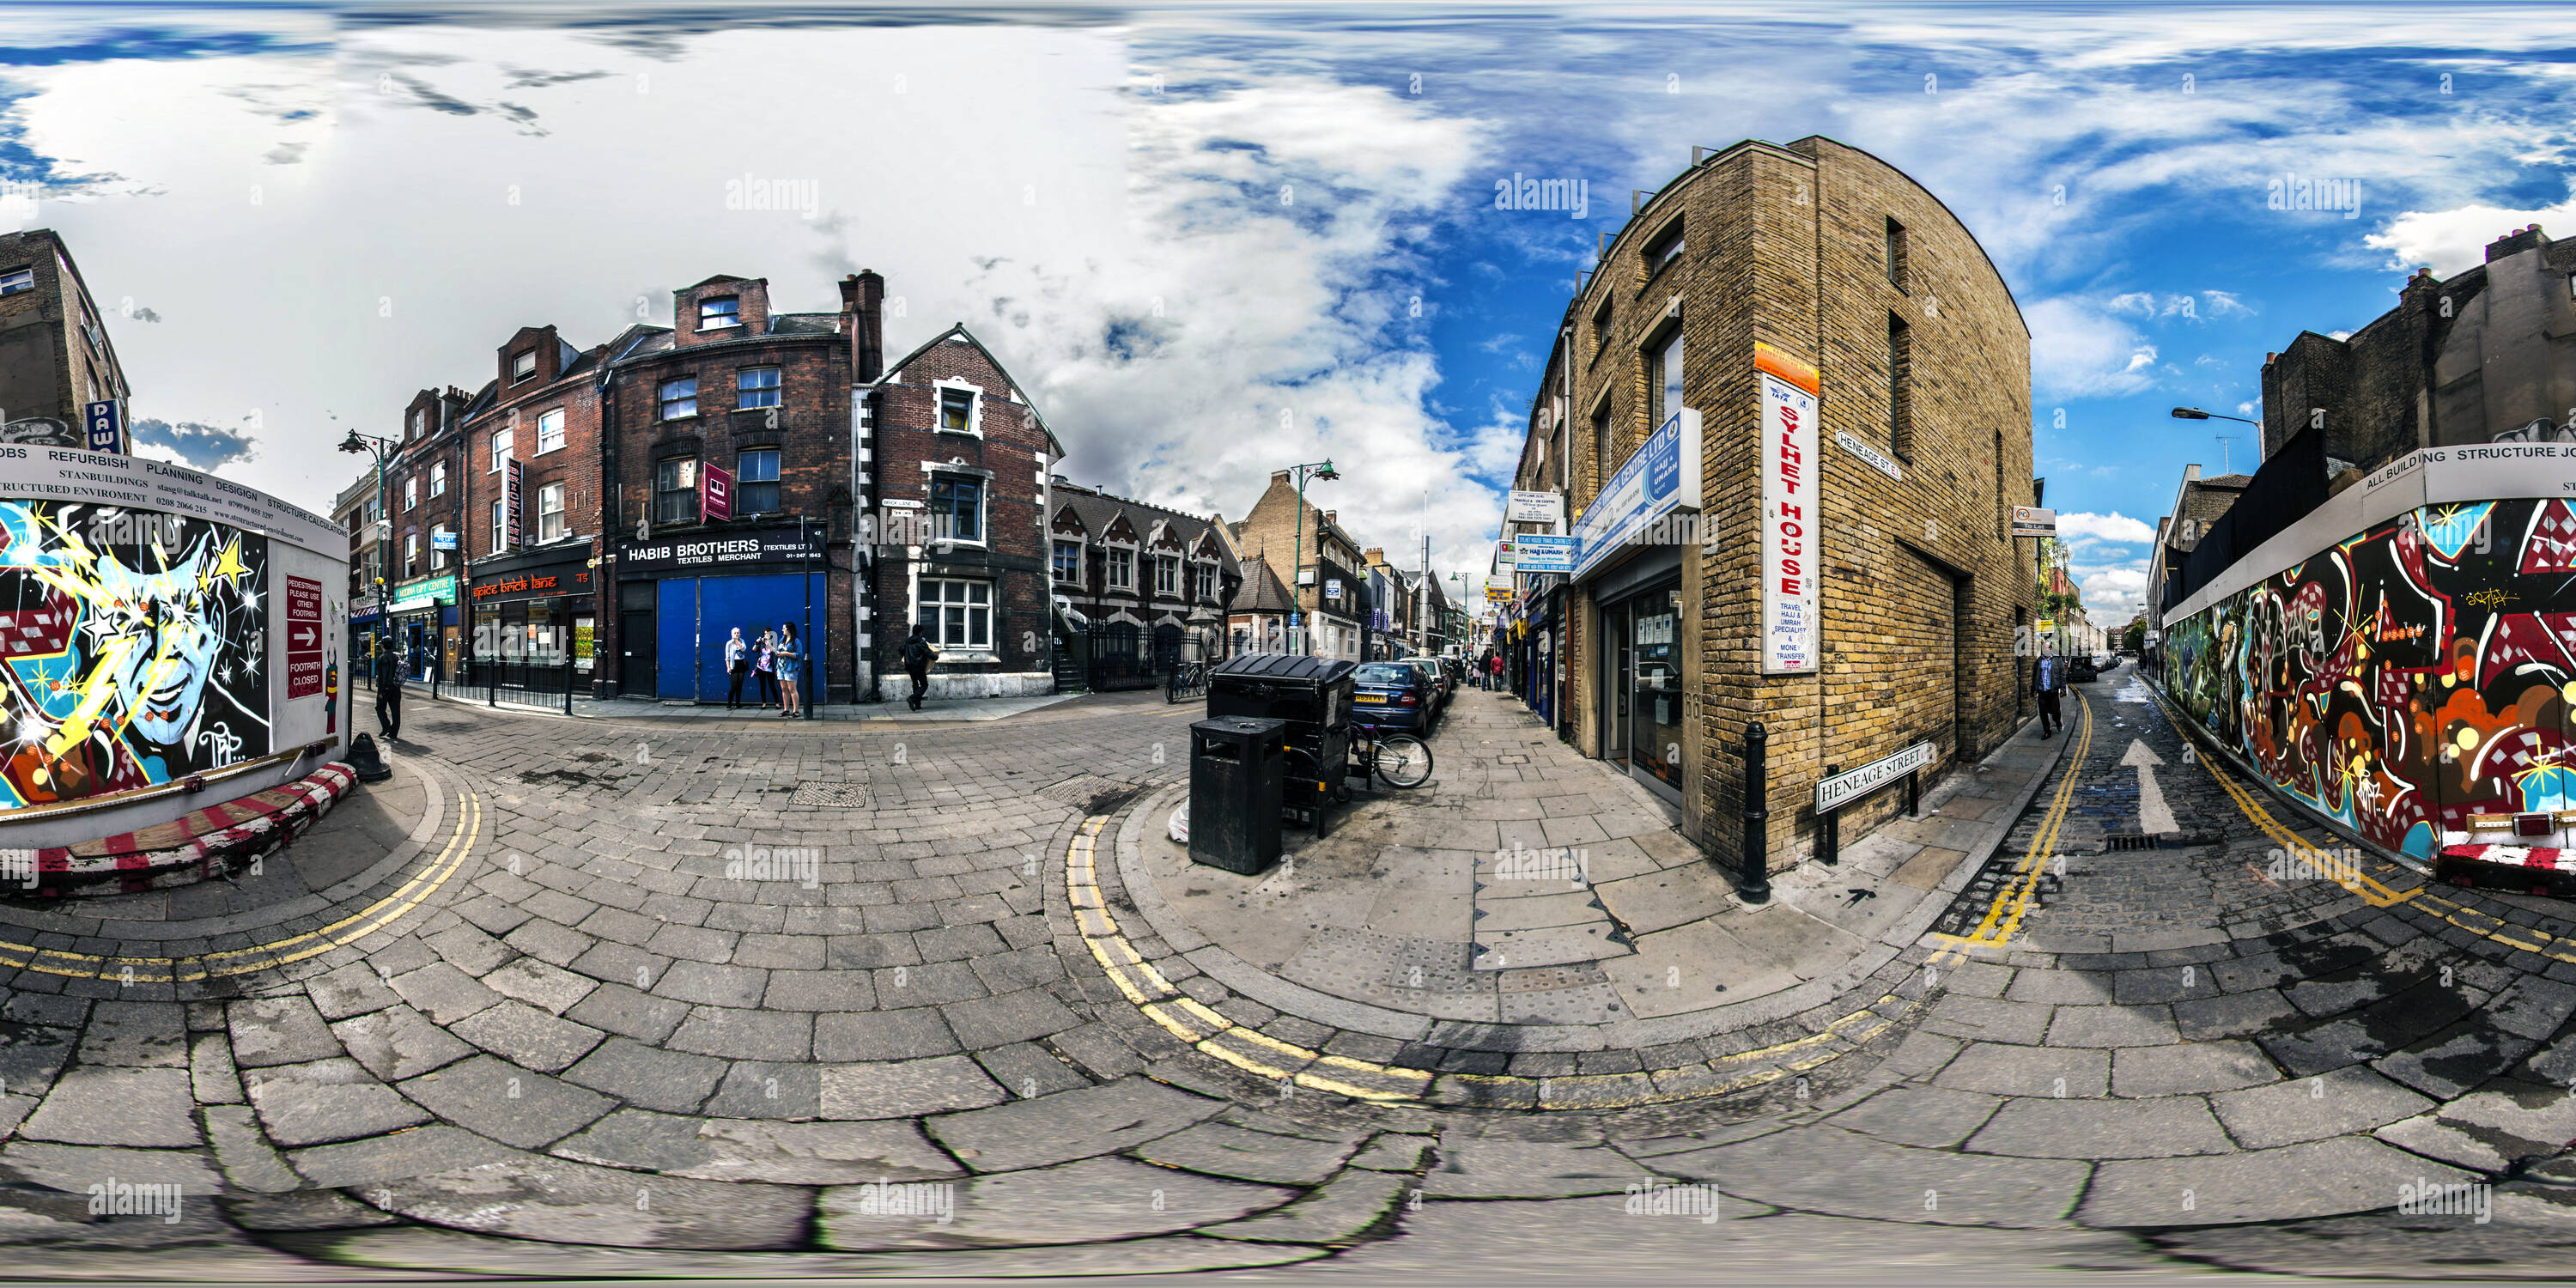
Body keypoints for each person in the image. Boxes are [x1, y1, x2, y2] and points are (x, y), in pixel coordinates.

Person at [902, 623, 939, 711]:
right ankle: (912, 698)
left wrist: (906, 656)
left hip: (909, 666)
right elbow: (928, 652)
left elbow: (901, 649)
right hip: (918, 666)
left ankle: (917, 705)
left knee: (915, 684)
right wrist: (935, 657)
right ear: (920, 633)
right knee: (924, 685)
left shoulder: (908, 641)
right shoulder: (921, 642)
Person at [375, 634, 403, 742]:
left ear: (383, 646)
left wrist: (380, 691)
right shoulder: (397, 657)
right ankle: (394, 733)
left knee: (380, 708)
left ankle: (386, 726)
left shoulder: (382, 658)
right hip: (396, 687)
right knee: (396, 711)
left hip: (386, 688)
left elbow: (382, 676)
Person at [775, 622, 804, 718]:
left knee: (792, 689)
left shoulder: (796, 641)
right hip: (781, 668)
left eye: (784, 628)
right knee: (784, 689)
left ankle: (796, 710)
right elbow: (779, 653)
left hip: (791, 668)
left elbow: (799, 655)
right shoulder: (781, 640)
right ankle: (786, 709)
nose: (782, 630)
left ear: (789, 629)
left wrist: (786, 654)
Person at [2035, 651, 2063, 738]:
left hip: (2053, 691)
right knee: (2043, 712)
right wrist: (2034, 688)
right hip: (2042, 690)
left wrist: (2063, 688)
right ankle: (2047, 731)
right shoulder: (2039, 661)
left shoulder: (2057, 660)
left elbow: (2062, 674)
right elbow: (2035, 675)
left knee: (2055, 711)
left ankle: (2058, 721)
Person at [723, 627, 750, 711]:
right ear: (731, 634)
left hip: (741, 664)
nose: (736, 634)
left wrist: (737, 641)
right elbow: (727, 657)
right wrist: (728, 667)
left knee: (740, 686)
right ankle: (729, 704)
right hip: (733, 665)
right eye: (735, 633)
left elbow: (744, 649)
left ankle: (738, 704)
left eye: (738, 633)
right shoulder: (729, 643)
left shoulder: (742, 641)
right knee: (733, 686)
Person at [754, 630, 779, 708]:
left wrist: (769, 645)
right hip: (761, 667)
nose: (766, 635)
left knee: (772, 686)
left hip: (770, 668)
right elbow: (754, 650)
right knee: (762, 686)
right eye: (765, 634)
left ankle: (777, 703)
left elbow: (776, 652)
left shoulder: (773, 642)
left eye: (768, 634)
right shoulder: (761, 643)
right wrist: (757, 643)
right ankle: (764, 703)